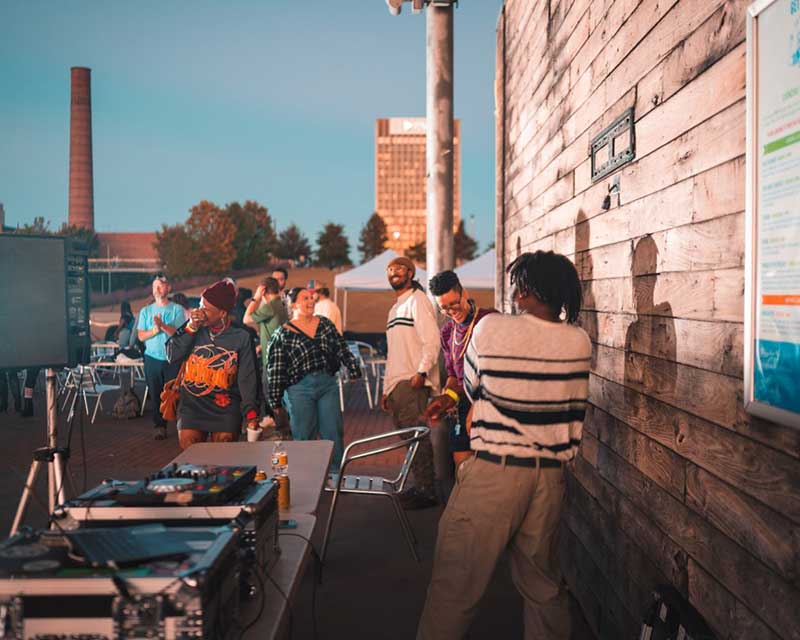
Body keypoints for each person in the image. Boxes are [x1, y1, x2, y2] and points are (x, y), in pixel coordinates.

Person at [417, 251, 591, 640]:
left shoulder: (491, 329)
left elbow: (473, 390)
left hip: (496, 470)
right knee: (544, 588)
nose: (513, 293)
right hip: (548, 477)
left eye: (517, 286)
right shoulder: (579, 341)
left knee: (455, 585)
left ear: (528, 290)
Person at [266, 287, 361, 470]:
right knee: (303, 436)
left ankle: (335, 476)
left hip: (327, 384)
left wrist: (353, 368)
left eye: (312, 298)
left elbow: (340, 347)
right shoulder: (282, 334)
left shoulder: (325, 324)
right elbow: (276, 369)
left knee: (333, 432)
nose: (311, 301)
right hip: (299, 389)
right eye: (305, 298)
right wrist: (275, 400)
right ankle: (306, 476)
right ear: (293, 304)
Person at [166, 278, 260, 450]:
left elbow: (248, 377)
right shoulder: (192, 327)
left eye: (206, 309)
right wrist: (191, 328)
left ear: (222, 313)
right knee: (191, 453)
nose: (200, 312)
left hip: (225, 406)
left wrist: (251, 412)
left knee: (223, 455)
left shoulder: (241, 336)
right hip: (192, 405)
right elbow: (171, 354)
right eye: (200, 305)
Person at [423, 270, 497, 481]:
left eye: (453, 304)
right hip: (463, 406)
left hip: (491, 405)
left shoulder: (490, 319)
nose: (450, 311)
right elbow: (454, 377)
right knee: (463, 468)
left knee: (487, 473)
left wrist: (479, 405)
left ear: (463, 292)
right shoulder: (447, 333)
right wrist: (446, 399)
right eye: (443, 307)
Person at [380, 256, 440, 510]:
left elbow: (432, 340)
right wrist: (385, 388)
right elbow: (393, 353)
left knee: (417, 435)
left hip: (411, 380)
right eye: (390, 269)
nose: (394, 272)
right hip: (396, 383)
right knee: (408, 437)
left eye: (400, 268)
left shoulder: (418, 300)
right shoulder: (394, 310)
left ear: (411, 273)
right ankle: (419, 484)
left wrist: (422, 372)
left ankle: (428, 490)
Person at [137, 276, 186, 440]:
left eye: (160, 286)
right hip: (152, 358)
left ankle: (181, 424)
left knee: (175, 393)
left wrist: (162, 326)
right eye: (154, 286)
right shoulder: (145, 311)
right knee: (156, 393)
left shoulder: (177, 310)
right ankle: (160, 426)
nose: (157, 289)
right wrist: (154, 330)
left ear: (168, 288)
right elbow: (141, 336)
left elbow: (178, 333)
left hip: (172, 359)